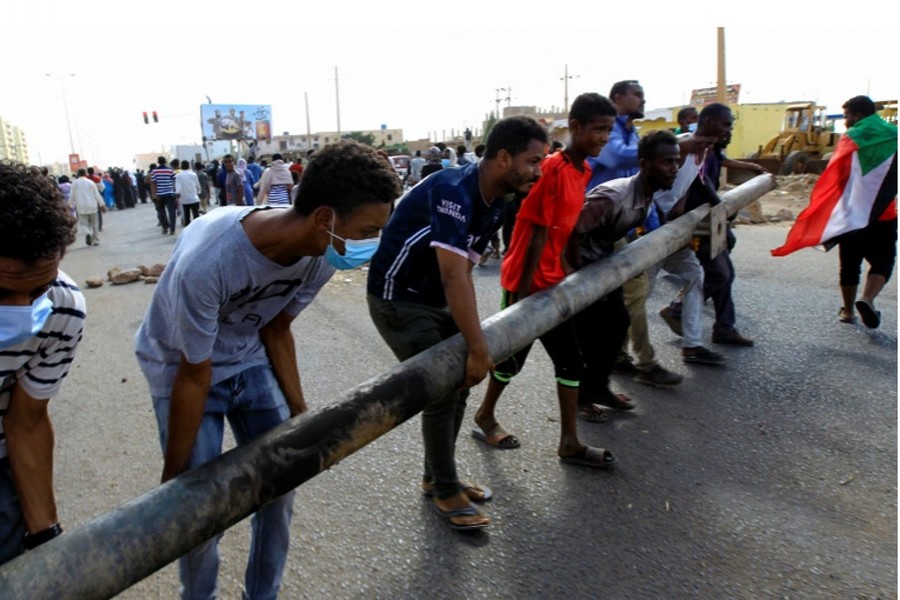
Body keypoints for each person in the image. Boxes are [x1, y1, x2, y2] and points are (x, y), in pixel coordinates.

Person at [135, 141, 400, 599]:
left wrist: (302, 416)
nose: (371, 243)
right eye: (368, 230)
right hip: (183, 365)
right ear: (324, 218)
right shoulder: (211, 262)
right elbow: (194, 374)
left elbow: (277, 328)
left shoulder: (322, 254)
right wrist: (174, 481)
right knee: (197, 509)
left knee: (281, 484)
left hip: (250, 356)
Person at [367, 116, 548, 530]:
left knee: (464, 381)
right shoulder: (454, 190)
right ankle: (445, 488)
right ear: (504, 158)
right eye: (533, 160)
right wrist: (480, 347)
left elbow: (463, 271)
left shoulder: (499, 200)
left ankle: (437, 477)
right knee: (442, 391)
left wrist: (475, 349)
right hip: (397, 300)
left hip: (434, 300)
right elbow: (453, 275)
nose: (538, 171)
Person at [473, 94, 618, 468]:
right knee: (510, 361)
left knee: (570, 361)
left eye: (609, 130)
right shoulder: (549, 168)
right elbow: (537, 230)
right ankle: (484, 416)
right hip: (526, 280)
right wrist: (521, 301)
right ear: (576, 128)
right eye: (598, 129)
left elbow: (567, 226)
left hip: (553, 282)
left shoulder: (583, 172)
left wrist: (572, 268)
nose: (604, 137)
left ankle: (569, 442)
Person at [0, 163, 85, 565]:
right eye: (1, 292)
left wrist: (46, 539)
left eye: (38, 289)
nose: (21, 313)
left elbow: (26, 421)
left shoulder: (63, 310)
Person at [571, 130, 684, 417]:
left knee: (618, 322)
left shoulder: (646, 195)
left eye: (677, 161)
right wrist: (576, 282)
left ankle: (598, 387)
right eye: (667, 162)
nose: (675, 168)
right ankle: (580, 400)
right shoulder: (614, 196)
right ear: (645, 165)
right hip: (580, 272)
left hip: (601, 268)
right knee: (588, 335)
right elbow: (570, 231)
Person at [772, 95, 897, 328]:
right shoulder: (895, 135)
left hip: (852, 213)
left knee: (850, 263)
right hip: (884, 213)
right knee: (883, 261)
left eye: (848, 116)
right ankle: (867, 299)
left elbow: (836, 173)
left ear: (858, 115)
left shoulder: (851, 138)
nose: (846, 121)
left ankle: (848, 311)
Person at [588, 80, 683, 387]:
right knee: (629, 298)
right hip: (598, 229)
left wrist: (656, 233)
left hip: (622, 227)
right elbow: (615, 159)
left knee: (630, 298)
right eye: (637, 95)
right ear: (618, 98)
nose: (643, 100)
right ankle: (642, 363)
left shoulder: (631, 131)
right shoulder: (610, 134)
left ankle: (615, 363)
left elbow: (643, 194)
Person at [662, 103, 764, 346]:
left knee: (723, 271)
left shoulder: (709, 147)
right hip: (700, 218)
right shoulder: (690, 144)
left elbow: (699, 176)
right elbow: (700, 181)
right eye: (726, 124)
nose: (729, 130)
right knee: (720, 273)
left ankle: (723, 327)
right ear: (708, 123)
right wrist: (720, 208)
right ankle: (679, 310)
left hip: (706, 215)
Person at [70, 168, 106, 246]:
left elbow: (72, 196)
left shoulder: (74, 183)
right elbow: (97, 195)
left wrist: (69, 205)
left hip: (81, 207)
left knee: (83, 223)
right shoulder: (91, 183)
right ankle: (96, 240)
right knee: (95, 224)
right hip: (92, 206)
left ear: (78, 174)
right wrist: (102, 205)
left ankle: (88, 233)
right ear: (85, 174)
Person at [150, 156, 178, 235]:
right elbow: (174, 182)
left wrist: (153, 194)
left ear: (158, 162)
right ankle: (172, 229)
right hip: (170, 193)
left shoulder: (154, 171)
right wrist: (175, 193)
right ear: (165, 161)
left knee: (161, 212)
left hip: (159, 195)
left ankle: (165, 228)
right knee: (172, 212)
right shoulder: (170, 170)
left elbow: (153, 183)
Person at [175, 160, 202, 226]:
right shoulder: (193, 174)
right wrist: (198, 191)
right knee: (196, 215)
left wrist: (177, 196)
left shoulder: (178, 176)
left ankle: (188, 229)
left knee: (187, 216)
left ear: (181, 166)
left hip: (184, 199)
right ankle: (197, 228)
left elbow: (177, 188)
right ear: (189, 166)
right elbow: (197, 185)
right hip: (194, 198)